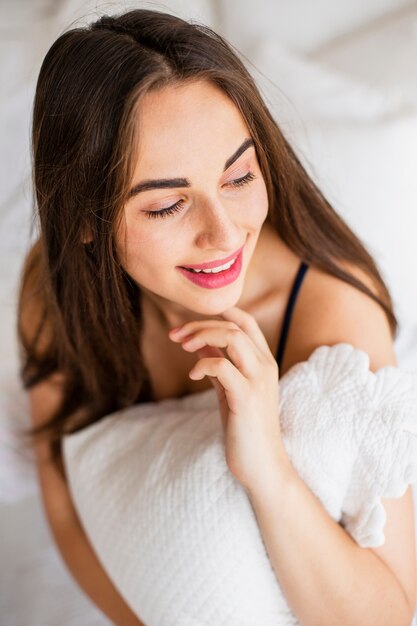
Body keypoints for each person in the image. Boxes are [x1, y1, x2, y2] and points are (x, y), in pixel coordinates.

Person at [17, 8, 416, 626]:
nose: (226, 234)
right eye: (170, 205)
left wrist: (266, 469)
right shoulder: (51, 291)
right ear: (88, 222)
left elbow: (388, 616)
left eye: (239, 176)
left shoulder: (330, 312)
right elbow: (64, 501)